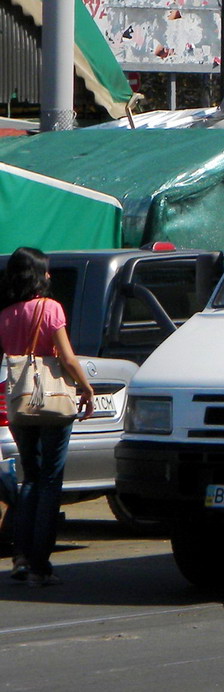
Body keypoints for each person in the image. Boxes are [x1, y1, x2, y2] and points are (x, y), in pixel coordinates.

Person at [0, 248, 94, 586]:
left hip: (21, 403)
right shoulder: (51, 308)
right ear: (39, 275)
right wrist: (86, 388)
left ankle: (21, 557)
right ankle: (41, 564)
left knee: (31, 477)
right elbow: (67, 358)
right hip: (53, 403)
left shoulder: (6, 314)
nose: (51, 276)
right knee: (51, 481)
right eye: (47, 271)